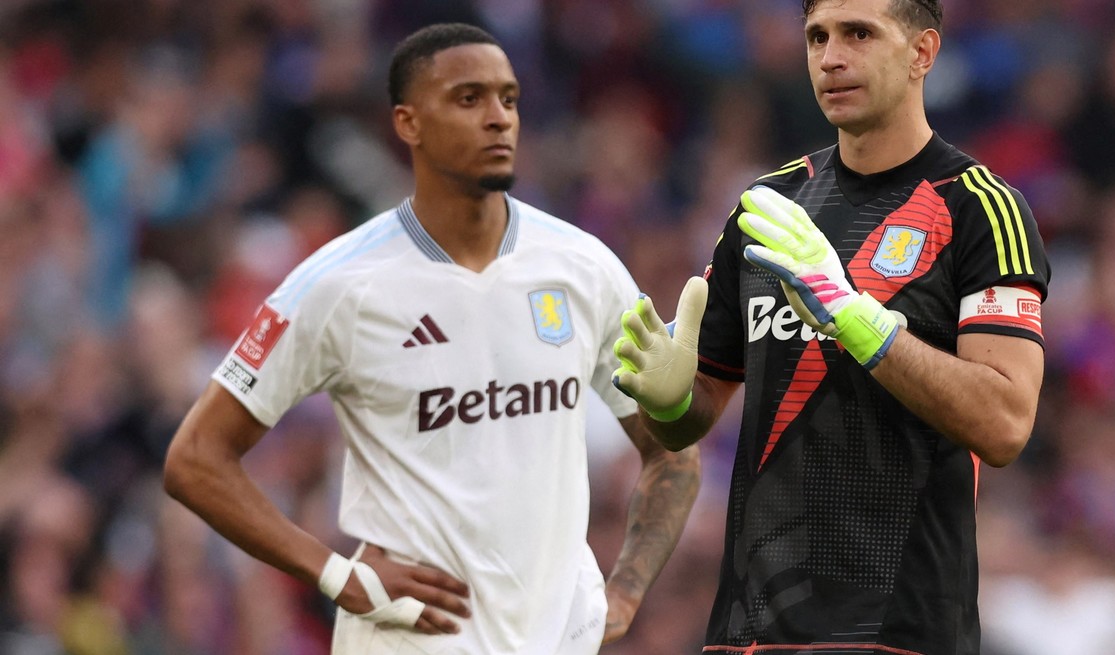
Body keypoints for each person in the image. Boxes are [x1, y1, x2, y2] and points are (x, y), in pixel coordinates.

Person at [163, 22, 700, 655]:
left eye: (509, 98)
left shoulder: (584, 267)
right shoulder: (339, 284)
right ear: (407, 123)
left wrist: (625, 593)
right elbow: (195, 460)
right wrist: (338, 575)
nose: (498, 118)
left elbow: (673, 454)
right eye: (468, 99)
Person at [611, 1, 1050, 653]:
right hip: (747, 633)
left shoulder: (981, 208)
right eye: (817, 37)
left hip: (895, 631)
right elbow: (692, 416)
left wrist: (859, 322)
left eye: (859, 34)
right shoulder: (768, 207)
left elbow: (1006, 422)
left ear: (923, 53)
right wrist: (670, 400)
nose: (831, 57)